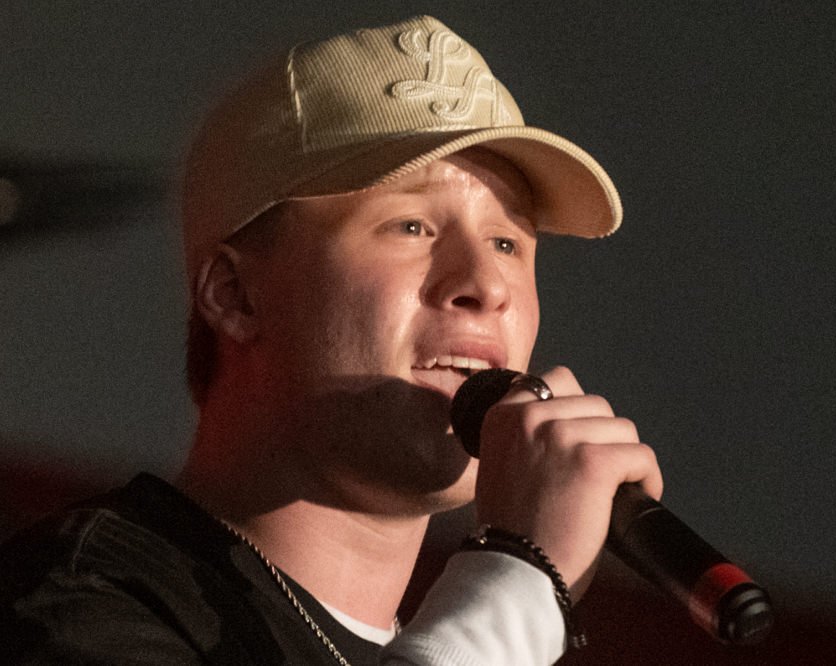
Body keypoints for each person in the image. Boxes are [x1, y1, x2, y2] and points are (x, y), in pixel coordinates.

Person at [0, 15, 661, 665]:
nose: (485, 285)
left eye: (508, 242)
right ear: (234, 295)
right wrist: (515, 586)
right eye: (411, 227)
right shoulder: (79, 608)